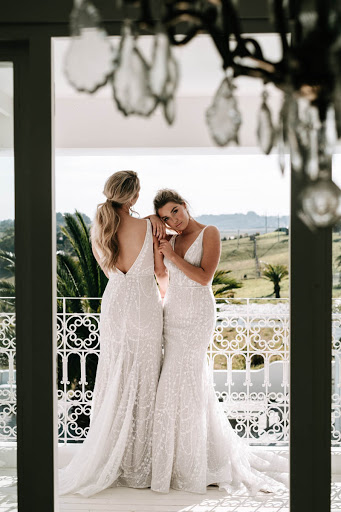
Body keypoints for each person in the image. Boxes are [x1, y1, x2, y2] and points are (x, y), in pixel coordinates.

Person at [151, 189, 288, 495]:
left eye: (175, 211)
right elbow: (162, 276)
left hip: (198, 316)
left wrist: (171, 256)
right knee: (172, 385)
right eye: (164, 217)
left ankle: (203, 462)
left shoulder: (208, 232)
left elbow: (204, 277)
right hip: (172, 315)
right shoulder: (168, 239)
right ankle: (175, 461)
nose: (173, 219)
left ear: (185, 205)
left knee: (188, 381)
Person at [59, 171, 165, 497]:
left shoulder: (100, 228)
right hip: (146, 304)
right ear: (133, 197)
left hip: (116, 303)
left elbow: (109, 271)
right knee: (146, 377)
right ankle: (141, 463)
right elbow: (160, 270)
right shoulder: (149, 227)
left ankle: (112, 457)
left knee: (116, 374)